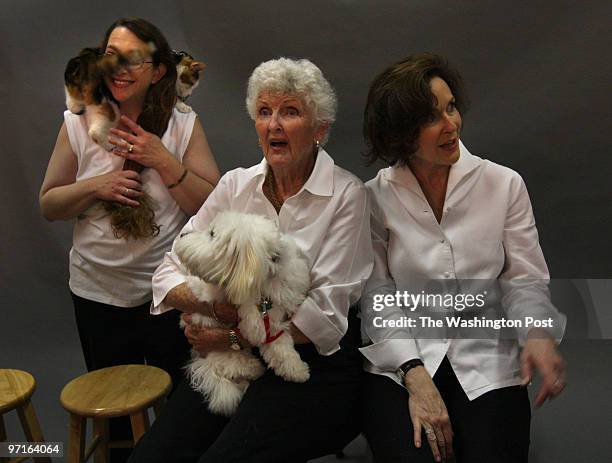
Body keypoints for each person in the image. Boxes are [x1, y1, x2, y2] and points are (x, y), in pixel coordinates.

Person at [127, 57, 373, 463]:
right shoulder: (235, 185)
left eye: (290, 112)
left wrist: (231, 333)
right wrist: (211, 307)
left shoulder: (348, 196)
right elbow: (167, 273)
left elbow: (324, 320)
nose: (273, 124)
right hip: (230, 360)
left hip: (313, 368)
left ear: (320, 129)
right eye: (264, 112)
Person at [359, 53, 567, 463]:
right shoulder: (373, 198)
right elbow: (376, 296)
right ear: (401, 133)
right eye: (431, 117)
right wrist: (414, 377)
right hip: (403, 361)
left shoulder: (505, 185)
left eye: (451, 107)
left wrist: (537, 334)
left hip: (487, 357)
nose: (450, 124)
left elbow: (524, 281)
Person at [40, 18, 220, 462]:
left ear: (159, 71)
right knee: (115, 415)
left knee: (183, 412)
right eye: (110, 55)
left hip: (167, 295)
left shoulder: (181, 125)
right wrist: (95, 187)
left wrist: (161, 159)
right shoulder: (80, 122)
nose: (117, 68)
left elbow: (212, 205)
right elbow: (49, 203)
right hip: (96, 292)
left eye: (133, 59)